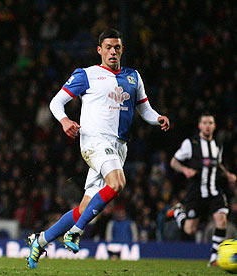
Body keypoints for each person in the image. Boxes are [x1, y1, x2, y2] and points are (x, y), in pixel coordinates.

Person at [27, 29, 170, 269]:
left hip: (118, 147)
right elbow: (56, 102)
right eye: (108, 47)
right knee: (117, 183)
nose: (113, 51)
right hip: (95, 141)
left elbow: (145, 109)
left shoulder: (133, 77)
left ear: (122, 50)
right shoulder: (87, 74)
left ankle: (40, 240)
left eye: (117, 47)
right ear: (99, 50)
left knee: (84, 208)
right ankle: (75, 233)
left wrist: (158, 119)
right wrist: (64, 121)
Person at [167, 113, 236, 266]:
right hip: (196, 191)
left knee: (221, 219)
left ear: (214, 126)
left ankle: (213, 258)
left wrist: (228, 174)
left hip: (214, 189)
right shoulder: (190, 144)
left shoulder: (218, 144)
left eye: (210, 122)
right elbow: (173, 162)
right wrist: (184, 170)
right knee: (189, 229)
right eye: (204, 122)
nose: (207, 125)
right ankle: (178, 212)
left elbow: (217, 163)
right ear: (199, 126)